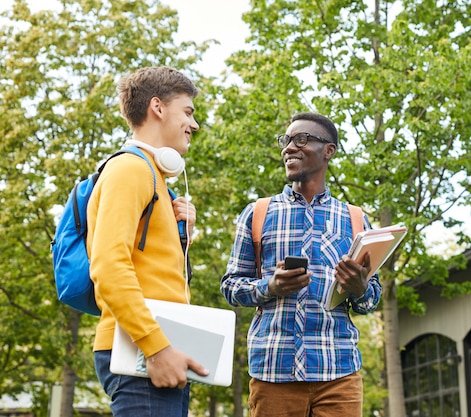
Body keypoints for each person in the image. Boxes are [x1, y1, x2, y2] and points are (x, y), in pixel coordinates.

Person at [221, 112, 381, 416]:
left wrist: (360, 289)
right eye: (287, 140)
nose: (289, 147)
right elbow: (230, 286)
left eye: (302, 139)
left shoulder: (355, 220)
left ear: (328, 150)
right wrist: (270, 286)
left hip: (339, 372)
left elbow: (371, 297)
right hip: (273, 373)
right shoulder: (257, 214)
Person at [87, 66, 208, 417]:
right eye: (188, 112)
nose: (193, 124)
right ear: (158, 107)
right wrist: (156, 349)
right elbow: (109, 269)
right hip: (140, 350)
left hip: (153, 345)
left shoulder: (154, 177)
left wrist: (183, 233)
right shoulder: (130, 170)